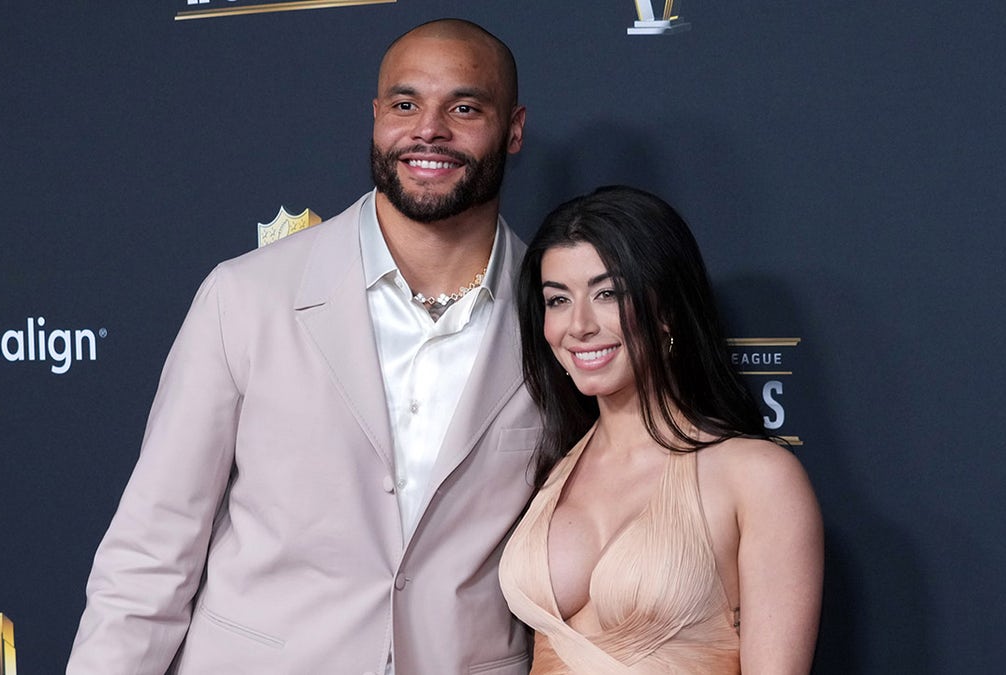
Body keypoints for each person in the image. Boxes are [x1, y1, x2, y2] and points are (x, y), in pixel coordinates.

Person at [67, 19, 539, 675]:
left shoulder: (560, 318)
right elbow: (153, 546)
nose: (428, 129)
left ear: (513, 129)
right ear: (376, 118)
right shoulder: (246, 295)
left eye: (464, 107)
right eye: (405, 104)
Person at [499, 186, 823, 673]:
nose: (578, 325)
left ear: (667, 307)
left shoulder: (757, 476)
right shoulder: (550, 468)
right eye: (558, 300)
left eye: (607, 293)